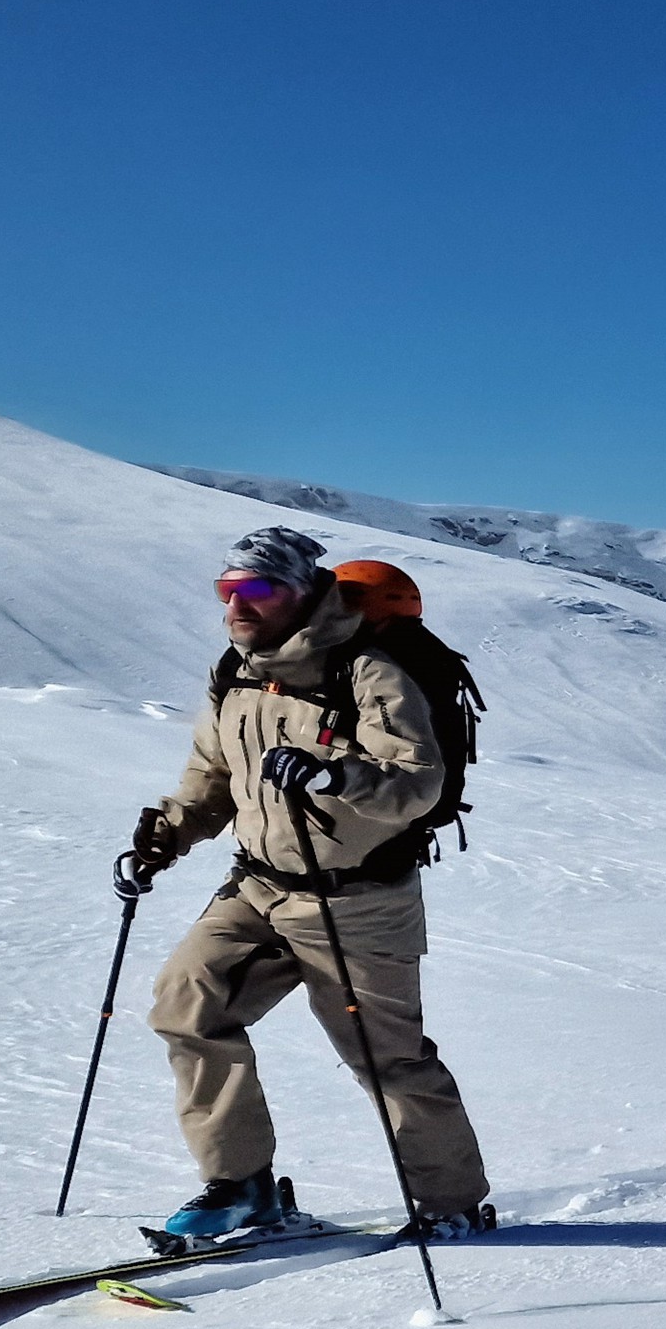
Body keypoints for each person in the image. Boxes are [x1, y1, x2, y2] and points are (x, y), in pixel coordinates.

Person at [118, 525, 495, 1245]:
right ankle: (242, 1189)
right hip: (259, 886)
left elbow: (418, 783)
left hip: (357, 899)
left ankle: (451, 1204)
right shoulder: (235, 671)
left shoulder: (367, 671)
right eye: (227, 590)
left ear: (301, 593)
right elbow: (214, 778)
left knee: (386, 1058)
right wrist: (161, 841)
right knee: (186, 1005)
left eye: (257, 590)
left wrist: (336, 774)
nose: (238, 604)